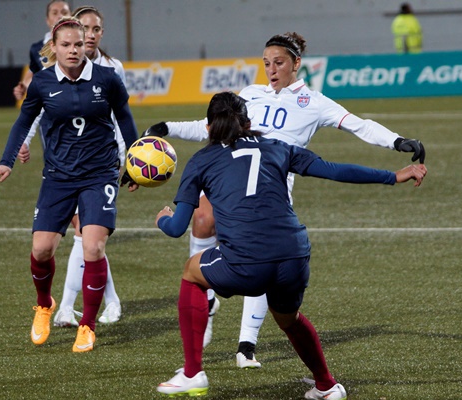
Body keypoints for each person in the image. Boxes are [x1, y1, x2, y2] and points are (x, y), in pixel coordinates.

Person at [143, 32, 426, 368]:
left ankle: (246, 343)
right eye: (266, 63)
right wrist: (166, 127)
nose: (271, 70)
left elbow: (359, 126)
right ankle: (205, 299)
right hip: (230, 177)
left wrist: (397, 142)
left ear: (296, 63)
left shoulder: (315, 102)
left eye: (278, 62)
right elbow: (211, 128)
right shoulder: (250, 95)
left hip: (273, 185)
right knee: (203, 220)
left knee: (260, 254)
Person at [0, 16, 139, 353]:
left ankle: (86, 324)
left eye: (77, 44)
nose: (73, 50)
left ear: (86, 43)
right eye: (66, 45)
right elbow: (24, 121)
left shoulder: (108, 78)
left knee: (93, 247)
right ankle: (44, 304)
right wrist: (5, 161)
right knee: (41, 250)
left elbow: (125, 119)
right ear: (53, 48)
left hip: (99, 175)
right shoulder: (42, 83)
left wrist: (134, 161)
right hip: (57, 178)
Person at [18, 6, 127, 328]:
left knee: (89, 240)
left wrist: (130, 157)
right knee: (84, 239)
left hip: (104, 162)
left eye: (95, 29)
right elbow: (36, 104)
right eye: (85, 29)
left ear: (100, 34)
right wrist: (24, 140)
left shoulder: (111, 69)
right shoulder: (55, 67)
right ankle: (75, 305)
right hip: (64, 164)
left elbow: (120, 115)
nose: (90, 35)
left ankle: (80, 308)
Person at [13, 0, 71, 103]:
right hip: (49, 102)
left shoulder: (81, 43)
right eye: (54, 13)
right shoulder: (37, 48)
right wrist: (24, 86)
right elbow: (32, 72)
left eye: (64, 12)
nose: (60, 16)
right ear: (47, 20)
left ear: (71, 17)